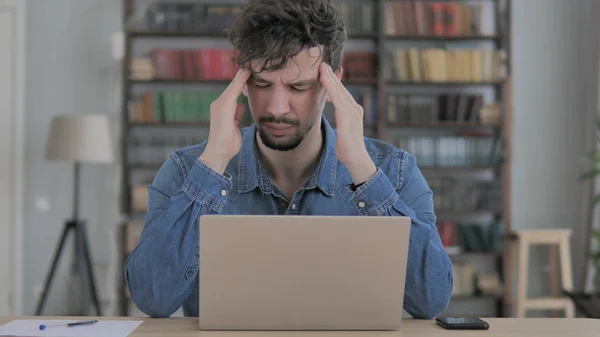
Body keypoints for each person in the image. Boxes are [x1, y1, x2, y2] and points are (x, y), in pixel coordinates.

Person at [125, 0, 453, 319]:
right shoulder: (188, 170)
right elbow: (153, 299)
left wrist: (363, 172)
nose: (277, 108)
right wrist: (213, 163)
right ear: (241, 79)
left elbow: (430, 300)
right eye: (262, 83)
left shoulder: (393, 171)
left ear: (334, 81)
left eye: (298, 87)